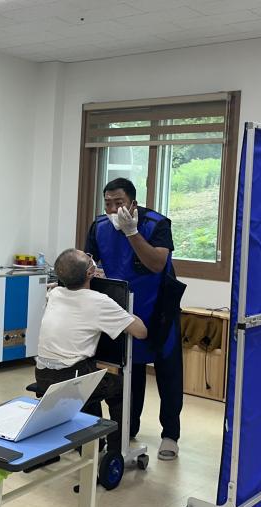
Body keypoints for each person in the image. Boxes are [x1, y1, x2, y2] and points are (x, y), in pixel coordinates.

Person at [85, 177, 184, 461]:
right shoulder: (99, 227)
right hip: (121, 309)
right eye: (108, 203)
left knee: (168, 372)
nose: (113, 209)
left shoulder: (157, 224)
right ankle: (129, 426)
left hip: (158, 308)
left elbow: (156, 263)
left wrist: (132, 233)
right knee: (130, 369)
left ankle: (170, 434)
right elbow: (88, 261)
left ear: (133, 204)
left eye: (119, 203)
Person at [35, 248, 147, 453]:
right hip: (72, 378)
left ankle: (93, 442)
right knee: (119, 386)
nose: (92, 258)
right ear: (90, 273)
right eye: (89, 260)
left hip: (42, 375)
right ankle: (116, 451)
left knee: (93, 376)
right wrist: (124, 312)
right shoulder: (99, 301)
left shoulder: (55, 293)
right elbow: (141, 332)